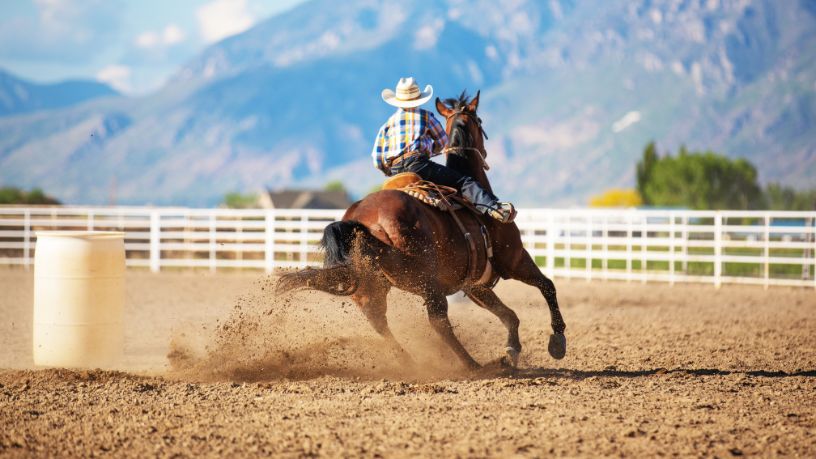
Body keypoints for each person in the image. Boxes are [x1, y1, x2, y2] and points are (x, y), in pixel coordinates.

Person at [371, 77, 516, 223]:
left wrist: (390, 171)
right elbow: (442, 140)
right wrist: (430, 151)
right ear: (418, 98)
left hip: (396, 171)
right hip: (418, 165)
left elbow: (377, 159)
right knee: (463, 182)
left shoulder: (387, 125)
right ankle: (495, 209)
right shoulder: (425, 116)